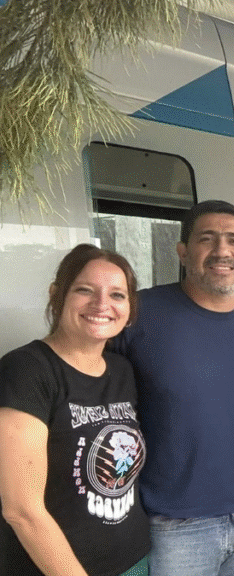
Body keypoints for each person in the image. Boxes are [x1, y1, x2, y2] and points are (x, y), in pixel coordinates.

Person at [113, 200, 234, 576]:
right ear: (183, 252)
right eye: (207, 239)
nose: (222, 251)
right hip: (173, 520)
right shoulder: (139, 313)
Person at [0, 244, 150, 576]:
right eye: (85, 290)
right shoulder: (27, 370)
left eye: (117, 295)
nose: (101, 304)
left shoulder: (122, 370)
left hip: (135, 561)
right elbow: (21, 511)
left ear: (129, 309)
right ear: (57, 295)